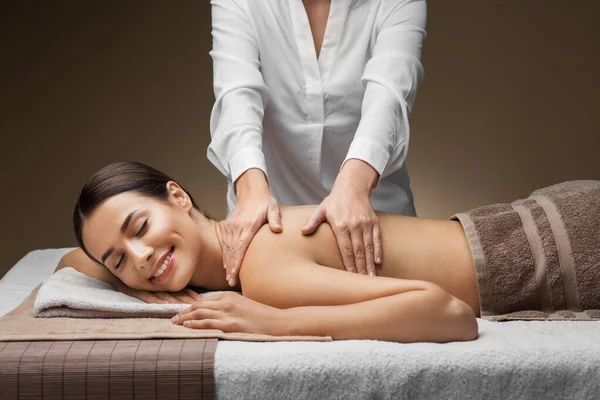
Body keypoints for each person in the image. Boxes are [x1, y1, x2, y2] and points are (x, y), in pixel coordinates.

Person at [58, 162, 600, 342]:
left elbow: (450, 315)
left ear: (177, 195)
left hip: (565, 250)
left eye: (140, 226)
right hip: (541, 218)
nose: (142, 256)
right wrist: (119, 266)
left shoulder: (261, 267)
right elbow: (70, 261)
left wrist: (272, 323)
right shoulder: (238, 250)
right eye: (118, 260)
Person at [207, 0, 428, 287]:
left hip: (373, 226)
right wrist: (251, 192)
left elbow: (389, 93)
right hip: (269, 231)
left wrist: (353, 188)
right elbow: (237, 95)